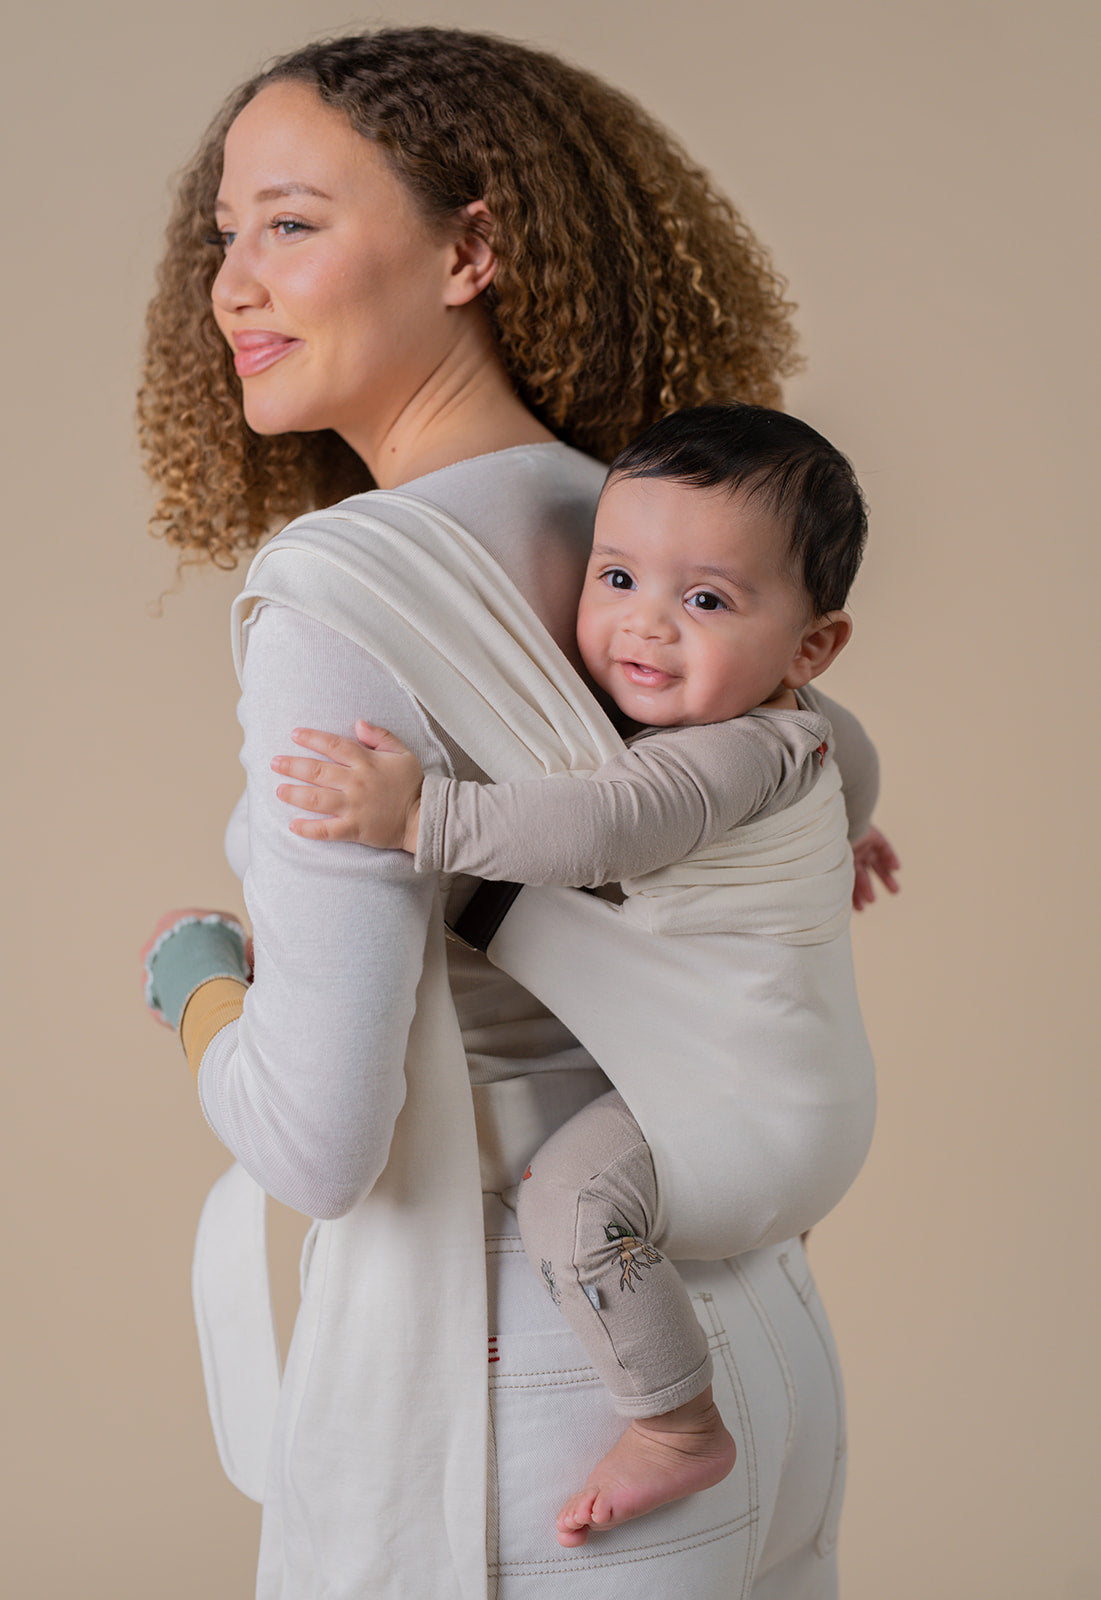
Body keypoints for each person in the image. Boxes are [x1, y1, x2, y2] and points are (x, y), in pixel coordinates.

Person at [139, 27, 891, 1600]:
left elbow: (320, 1144)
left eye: (290, 223)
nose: (231, 287)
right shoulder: (640, 525)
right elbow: (806, 762)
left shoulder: (344, 592)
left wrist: (196, 984)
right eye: (224, 238)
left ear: (469, 249)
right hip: (757, 1334)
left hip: (533, 1401)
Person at [266, 400, 894, 1546]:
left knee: (573, 1201)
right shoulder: (805, 727)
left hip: (744, 1115)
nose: (645, 625)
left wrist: (419, 815)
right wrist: (846, 830)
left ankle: (677, 1423)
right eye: (615, 578)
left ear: (811, 648)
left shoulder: (721, 758)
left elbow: (601, 829)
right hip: (806, 1096)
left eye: (706, 601)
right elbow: (854, 753)